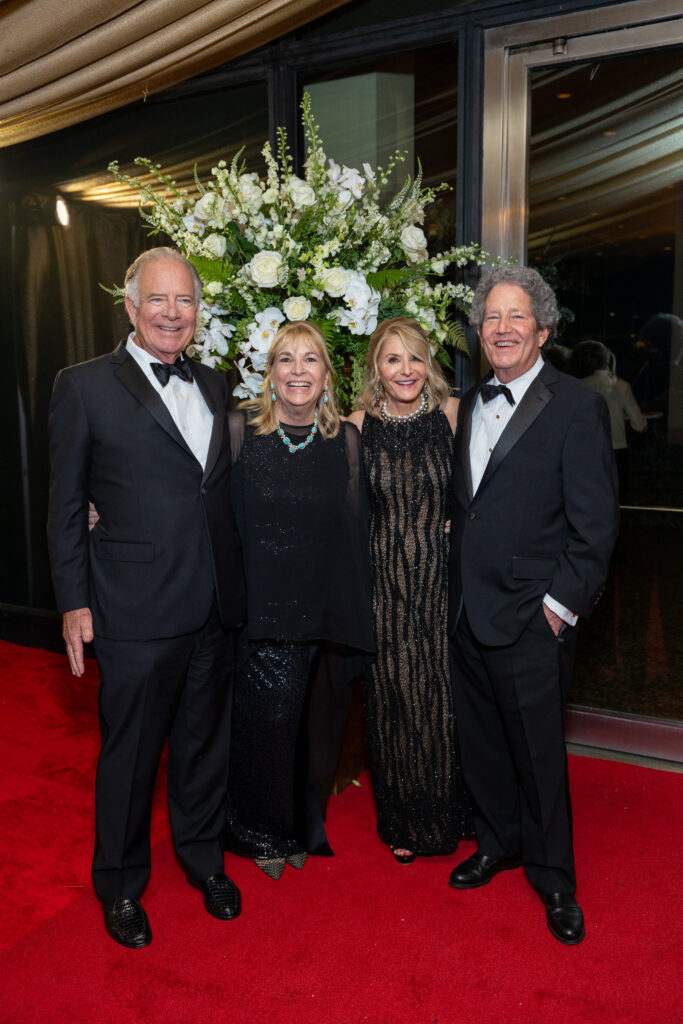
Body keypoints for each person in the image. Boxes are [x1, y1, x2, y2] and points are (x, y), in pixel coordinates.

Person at [47, 247, 246, 949]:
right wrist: (74, 601)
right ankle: (122, 884)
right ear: (130, 308)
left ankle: (201, 860)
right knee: (130, 757)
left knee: (203, 746)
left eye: (184, 301)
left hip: (213, 604)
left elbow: (211, 487)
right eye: (158, 300)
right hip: (131, 608)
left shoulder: (217, 383)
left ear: (197, 312)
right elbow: (66, 505)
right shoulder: (84, 385)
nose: (171, 312)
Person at [447, 265, 619, 945]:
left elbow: (596, 525)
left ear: (542, 329)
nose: (501, 328)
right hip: (467, 609)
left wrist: (558, 608)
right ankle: (497, 842)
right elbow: (474, 504)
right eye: (491, 317)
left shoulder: (576, 406)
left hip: (531, 615)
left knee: (540, 756)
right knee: (483, 744)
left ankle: (553, 878)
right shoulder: (467, 402)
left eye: (516, 316)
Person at [223, 320, 374, 880]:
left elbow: (356, 529)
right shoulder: (241, 430)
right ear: (271, 373)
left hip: (316, 612)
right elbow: (207, 510)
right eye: (286, 360)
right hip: (255, 609)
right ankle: (253, 830)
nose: (297, 371)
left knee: (298, 725)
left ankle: (288, 825)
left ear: (327, 374)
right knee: (259, 720)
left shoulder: (344, 441)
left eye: (309, 360)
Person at [347, 317, 473, 864]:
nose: (406, 370)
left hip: (443, 584)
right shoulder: (356, 425)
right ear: (376, 366)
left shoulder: (453, 415)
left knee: (443, 700)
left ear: (430, 366)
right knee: (395, 700)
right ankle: (403, 816)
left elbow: (489, 484)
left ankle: (450, 810)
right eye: (393, 359)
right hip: (383, 587)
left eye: (416, 358)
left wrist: (462, 524)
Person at [570, 339, 647, 501]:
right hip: (618, 450)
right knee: (617, 499)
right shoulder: (622, 385)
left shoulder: (580, 385)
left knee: (591, 499)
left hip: (588, 451)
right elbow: (639, 425)